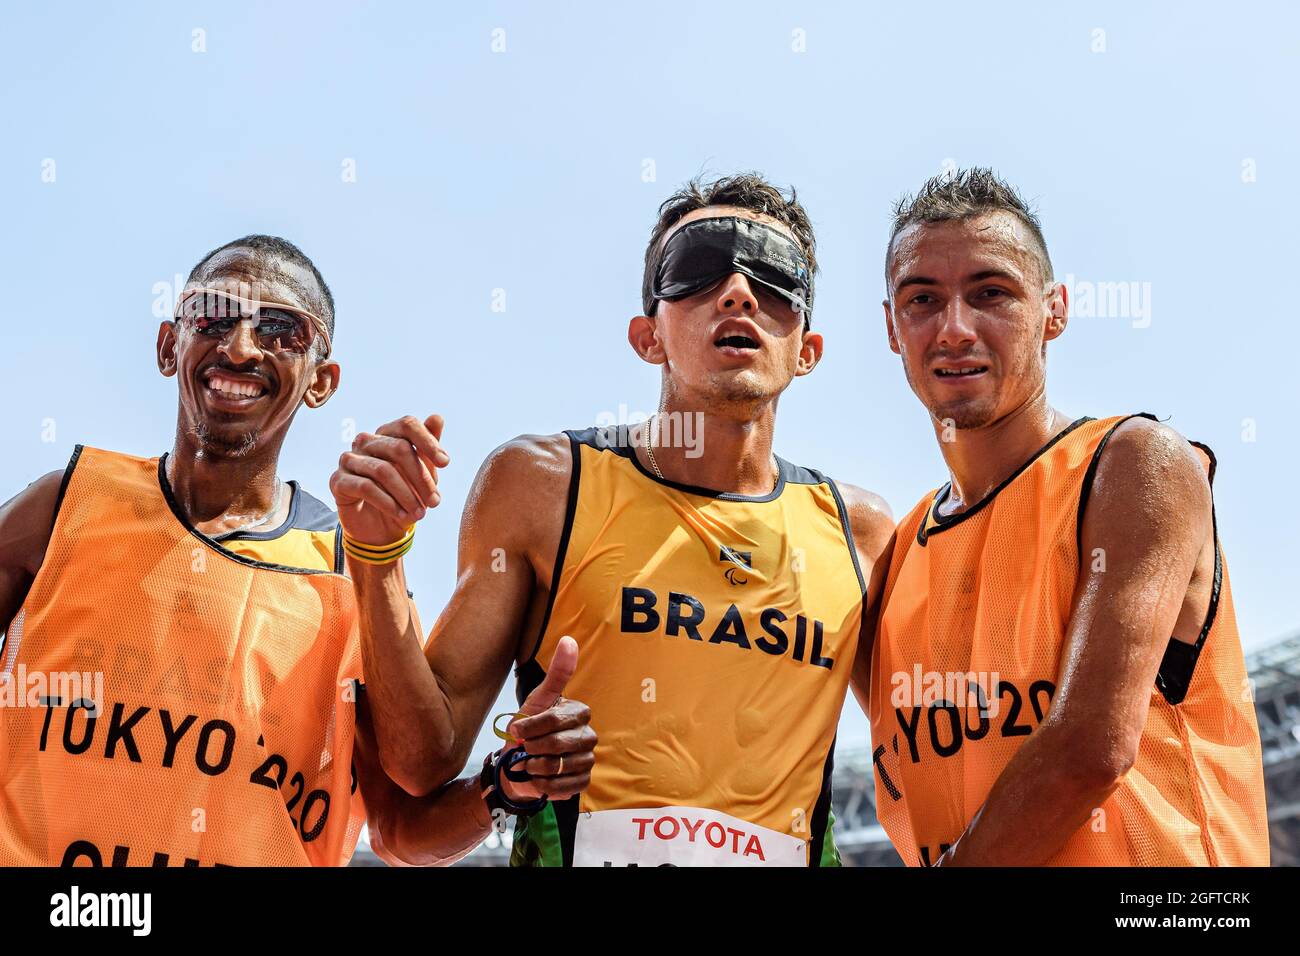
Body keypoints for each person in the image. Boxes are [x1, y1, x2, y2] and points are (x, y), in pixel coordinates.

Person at [332, 173, 895, 866]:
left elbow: (932, 761)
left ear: (807, 348)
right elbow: (416, 776)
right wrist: (376, 554)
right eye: (697, 268)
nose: (740, 292)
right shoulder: (541, 487)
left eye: (777, 280)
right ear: (646, 336)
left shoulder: (860, 533)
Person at [0, 235, 593, 866]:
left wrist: (505, 785)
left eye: (282, 329)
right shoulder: (65, 505)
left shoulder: (348, 574)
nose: (240, 346)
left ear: (322, 383)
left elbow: (400, 823)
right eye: (213, 313)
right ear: (170, 345)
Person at [858, 168, 1269, 866]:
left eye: (991, 293)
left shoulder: (1134, 464)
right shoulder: (895, 557)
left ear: (1055, 310)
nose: (954, 328)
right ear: (893, 329)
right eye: (922, 299)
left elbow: (1088, 751)